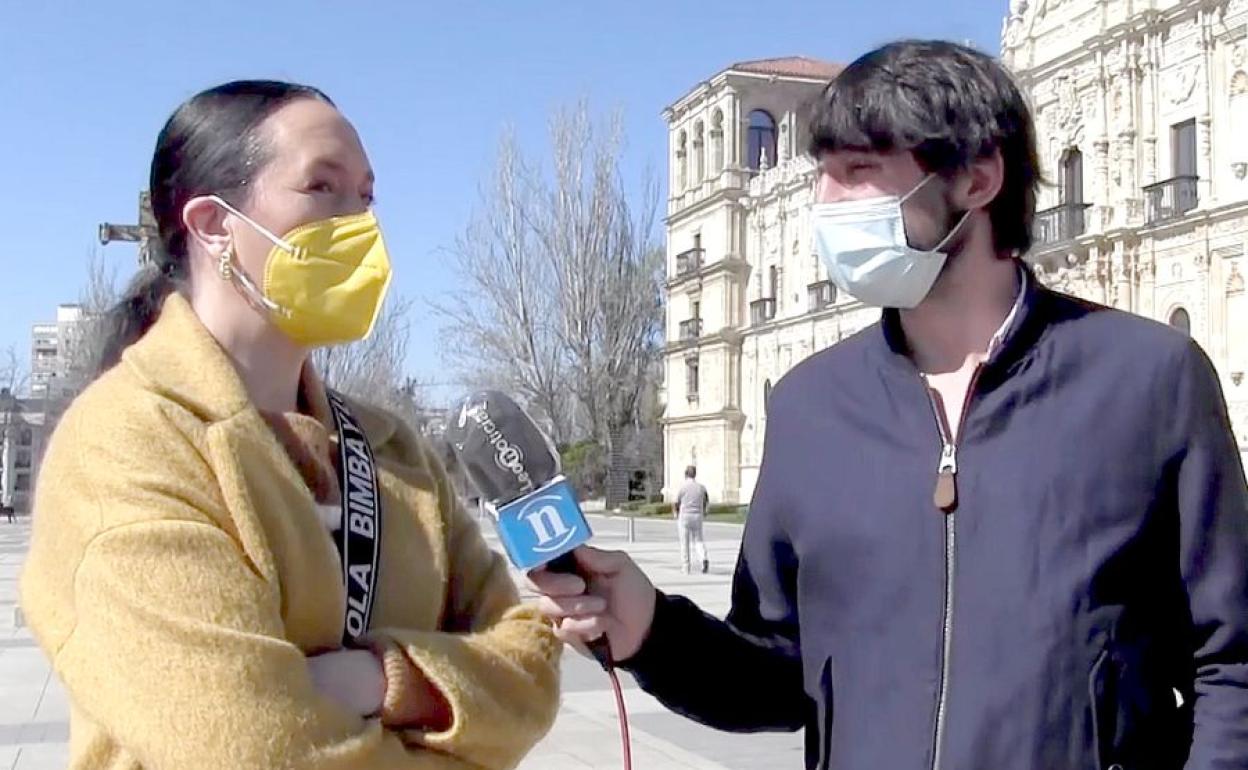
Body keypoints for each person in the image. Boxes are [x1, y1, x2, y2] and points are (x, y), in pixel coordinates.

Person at [533, 40, 1248, 770]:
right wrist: (651, 629)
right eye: (824, 174)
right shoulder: (811, 407)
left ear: (976, 178)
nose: (826, 202)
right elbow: (780, 675)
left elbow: (1234, 663)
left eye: (859, 173)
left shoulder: (1149, 381)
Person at [20, 81, 560, 770]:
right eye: (322, 188)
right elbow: (246, 747)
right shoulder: (124, 448)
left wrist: (381, 678)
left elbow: (532, 666)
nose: (358, 224)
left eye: (365, 196)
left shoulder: (399, 452)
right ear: (214, 225)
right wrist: (461, 716)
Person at [673, 465, 709, 574]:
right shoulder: (701, 487)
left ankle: (686, 567)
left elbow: (676, 502)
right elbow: (706, 500)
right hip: (697, 515)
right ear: (695, 474)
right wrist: (704, 512)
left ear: (685, 474)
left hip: (685, 516)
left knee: (685, 543)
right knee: (698, 540)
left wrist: (675, 513)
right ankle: (703, 558)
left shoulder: (682, 487)